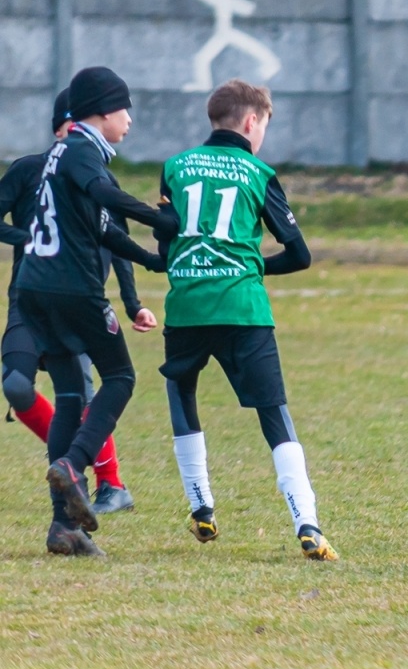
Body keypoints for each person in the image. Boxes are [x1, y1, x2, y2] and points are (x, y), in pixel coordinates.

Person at [156, 79, 333, 560]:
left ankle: (201, 508)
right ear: (252, 121)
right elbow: (298, 254)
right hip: (243, 308)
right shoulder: (258, 171)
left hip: (187, 305)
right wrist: (252, 267)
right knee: (272, 410)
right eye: (265, 126)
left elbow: (165, 245)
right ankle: (307, 524)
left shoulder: (174, 168)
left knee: (181, 388)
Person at [14, 67, 171, 556]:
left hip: (33, 290)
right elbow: (107, 199)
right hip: (72, 290)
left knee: (67, 395)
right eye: (124, 109)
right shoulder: (83, 150)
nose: (129, 120)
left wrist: (151, 259)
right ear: (103, 111)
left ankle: (64, 529)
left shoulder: (62, 154)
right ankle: (74, 466)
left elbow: (102, 224)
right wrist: (163, 217)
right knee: (121, 377)